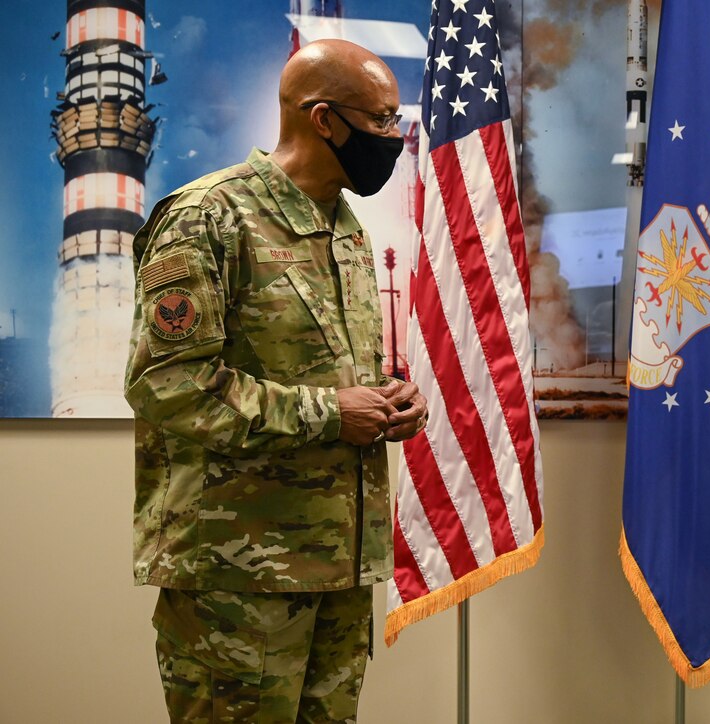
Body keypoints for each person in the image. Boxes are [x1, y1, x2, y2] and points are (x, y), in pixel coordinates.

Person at [124, 39, 427, 722]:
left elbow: (326, 372)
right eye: (381, 119)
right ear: (324, 120)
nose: (394, 136)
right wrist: (331, 413)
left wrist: (390, 400)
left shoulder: (343, 227)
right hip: (237, 577)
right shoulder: (208, 217)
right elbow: (168, 384)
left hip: (338, 563)